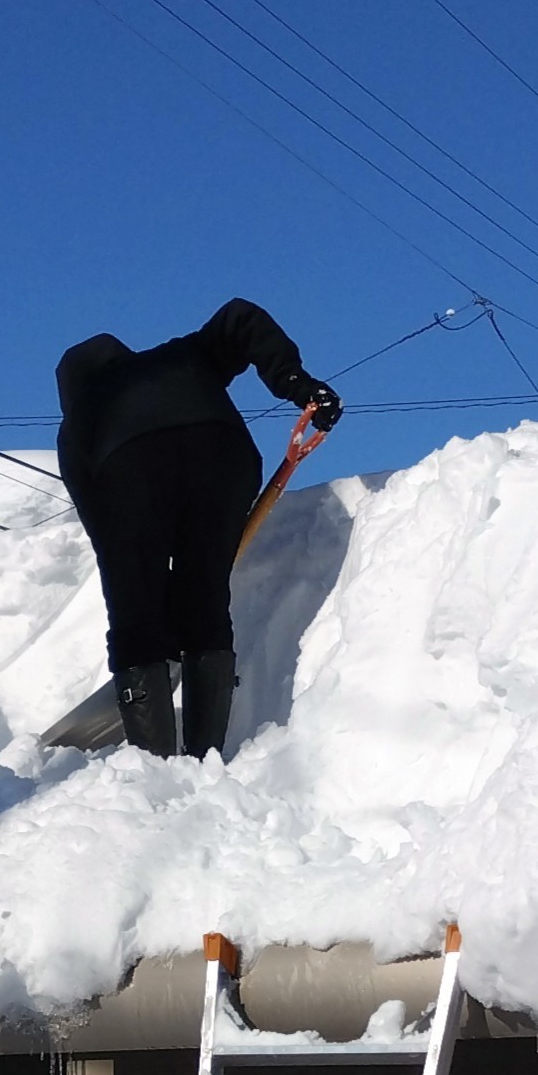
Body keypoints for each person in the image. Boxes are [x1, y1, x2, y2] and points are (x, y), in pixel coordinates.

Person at [55, 299, 340, 758]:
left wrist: (148, 620)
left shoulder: (79, 421)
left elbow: (112, 542)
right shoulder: (180, 355)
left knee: (134, 612)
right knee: (204, 598)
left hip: (129, 472)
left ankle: (156, 765)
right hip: (224, 457)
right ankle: (206, 756)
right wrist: (297, 383)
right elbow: (240, 317)